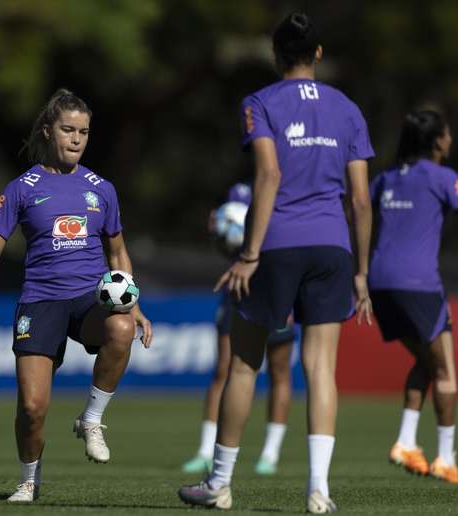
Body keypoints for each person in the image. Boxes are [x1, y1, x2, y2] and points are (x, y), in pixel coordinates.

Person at [178, 12, 374, 513]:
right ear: (319, 54)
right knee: (321, 369)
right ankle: (318, 491)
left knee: (243, 364)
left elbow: (268, 175)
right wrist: (361, 273)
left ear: (275, 54)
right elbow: (361, 200)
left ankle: (219, 485)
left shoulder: (260, 102)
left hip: (278, 244)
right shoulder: (348, 108)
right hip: (333, 247)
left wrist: (248, 254)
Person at [0, 89, 153, 503]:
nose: (77, 139)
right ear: (49, 131)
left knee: (120, 328)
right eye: (68, 130)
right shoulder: (21, 188)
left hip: (88, 299)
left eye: (83, 131)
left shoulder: (101, 188)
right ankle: (29, 480)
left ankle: (92, 419)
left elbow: (118, 253)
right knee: (31, 409)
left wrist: (133, 306)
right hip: (40, 302)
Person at [182, 182, 296, 477]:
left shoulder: (279, 205)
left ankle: (270, 453)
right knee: (223, 370)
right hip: (236, 293)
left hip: (275, 291)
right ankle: (206, 451)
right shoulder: (227, 210)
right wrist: (218, 234)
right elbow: (227, 247)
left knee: (279, 371)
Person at [368, 110, 458, 483]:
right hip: (419, 285)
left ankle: (406, 442)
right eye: (448, 133)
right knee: (447, 372)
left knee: (426, 358)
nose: (451, 139)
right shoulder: (443, 178)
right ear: (437, 140)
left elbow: (358, 212)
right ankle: (446, 458)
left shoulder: (385, 179)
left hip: (380, 284)